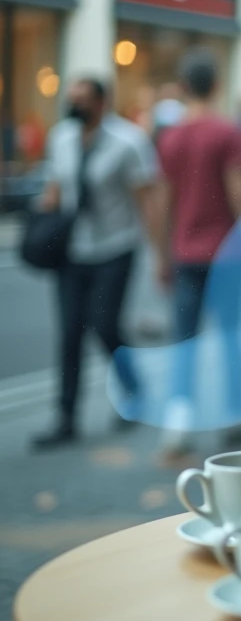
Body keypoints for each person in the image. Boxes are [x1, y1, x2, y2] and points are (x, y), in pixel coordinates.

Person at [32, 78, 159, 449]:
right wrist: (41, 225)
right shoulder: (62, 138)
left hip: (116, 249)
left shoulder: (128, 142)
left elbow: (146, 199)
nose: (75, 107)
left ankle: (133, 388)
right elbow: (56, 188)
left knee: (104, 326)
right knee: (70, 333)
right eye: (71, 100)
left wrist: (159, 255)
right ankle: (66, 416)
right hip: (73, 251)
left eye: (83, 100)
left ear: (102, 102)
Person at [156, 48, 241, 458]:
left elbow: (164, 202)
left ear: (182, 88)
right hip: (228, 254)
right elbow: (239, 192)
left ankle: (178, 421)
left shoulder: (171, 137)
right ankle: (235, 415)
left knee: (185, 339)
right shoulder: (227, 132)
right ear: (216, 84)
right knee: (232, 336)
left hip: (185, 254)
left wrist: (162, 254)